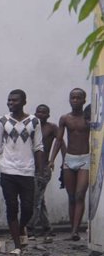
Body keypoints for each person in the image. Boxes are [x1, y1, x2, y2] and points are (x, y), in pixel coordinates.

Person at [0, 89, 44, 255]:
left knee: (28, 209)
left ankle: (20, 228)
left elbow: (39, 147)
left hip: (27, 171)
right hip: (7, 170)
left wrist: (40, 171)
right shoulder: (2, 121)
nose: (11, 103)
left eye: (15, 101)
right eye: (9, 100)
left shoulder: (34, 121)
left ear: (24, 101)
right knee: (12, 207)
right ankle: (17, 245)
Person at [49, 88, 90, 241]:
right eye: (72, 98)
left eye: (78, 98)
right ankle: (73, 228)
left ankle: (75, 230)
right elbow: (59, 140)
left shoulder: (89, 119)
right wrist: (52, 159)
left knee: (80, 195)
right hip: (69, 159)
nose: (75, 100)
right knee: (71, 196)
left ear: (84, 100)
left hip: (85, 158)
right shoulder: (65, 118)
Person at [27, 104, 57, 237]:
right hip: (30, 167)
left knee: (35, 199)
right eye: (38, 112)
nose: (40, 114)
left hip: (43, 169)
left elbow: (60, 142)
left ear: (48, 115)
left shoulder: (52, 128)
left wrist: (52, 160)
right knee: (39, 199)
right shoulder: (31, 127)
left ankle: (29, 227)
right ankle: (47, 227)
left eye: (44, 112)